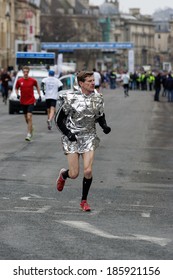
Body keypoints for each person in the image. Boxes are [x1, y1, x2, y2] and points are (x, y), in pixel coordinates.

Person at [55, 70, 111, 211]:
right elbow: (58, 119)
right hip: (72, 138)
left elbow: (100, 115)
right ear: (81, 83)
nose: (93, 83)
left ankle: (84, 201)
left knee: (88, 171)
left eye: (93, 80)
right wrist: (68, 133)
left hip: (89, 137)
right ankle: (63, 174)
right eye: (90, 81)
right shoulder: (70, 97)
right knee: (74, 174)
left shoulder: (98, 98)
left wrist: (104, 126)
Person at [15, 65, 41, 141]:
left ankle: (29, 134)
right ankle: (31, 127)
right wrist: (17, 94)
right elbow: (16, 88)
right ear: (22, 72)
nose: (25, 73)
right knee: (26, 118)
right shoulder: (19, 81)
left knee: (29, 117)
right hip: (23, 101)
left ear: (28, 72)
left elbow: (37, 87)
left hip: (31, 101)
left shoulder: (33, 80)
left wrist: (39, 95)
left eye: (27, 72)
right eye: (24, 72)